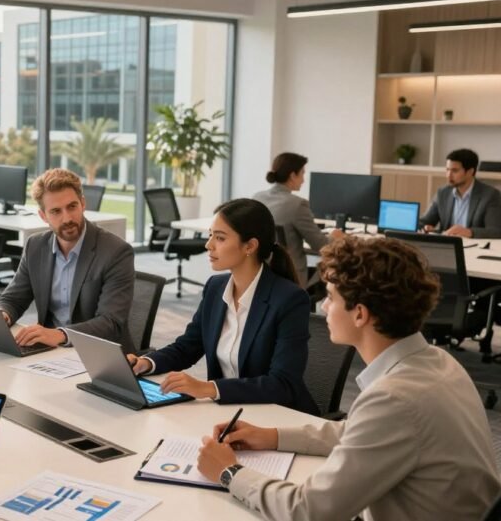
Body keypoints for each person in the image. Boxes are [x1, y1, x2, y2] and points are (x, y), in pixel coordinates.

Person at [197, 237, 501, 521]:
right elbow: (360, 433)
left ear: (360, 314)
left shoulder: (395, 398)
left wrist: (228, 472)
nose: (325, 307)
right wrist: (271, 436)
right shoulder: (438, 361)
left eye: (330, 297)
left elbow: (310, 510)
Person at [127, 199, 318, 414]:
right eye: (210, 235)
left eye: (220, 238)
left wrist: (208, 388)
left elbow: (283, 384)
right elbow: (187, 347)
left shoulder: (289, 300)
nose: (208, 245)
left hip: (277, 417)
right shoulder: (215, 288)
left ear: (250, 246)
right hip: (227, 411)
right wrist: (146, 362)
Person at [0, 168, 136, 353]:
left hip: (100, 355)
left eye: (72, 207)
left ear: (83, 204)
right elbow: (13, 298)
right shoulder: (35, 246)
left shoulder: (116, 252)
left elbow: (111, 322)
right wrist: (3, 314)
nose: (67, 218)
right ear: (43, 216)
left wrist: (61, 334)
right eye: (56, 211)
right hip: (50, 353)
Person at [253, 152, 343, 286]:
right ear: (292, 175)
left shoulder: (257, 198)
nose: (303, 180)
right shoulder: (297, 205)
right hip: (292, 277)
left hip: (261, 273)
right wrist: (335, 236)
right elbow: (320, 245)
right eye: (302, 173)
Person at [421, 148, 501, 238]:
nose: (448, 175)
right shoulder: (443, 193)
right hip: (447, 245)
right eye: (447, 170)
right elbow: (425, 221)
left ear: (470, 171)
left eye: (454, 171)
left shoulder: (490, 195)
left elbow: (496, 231)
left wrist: (469, 232)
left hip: (475, 249)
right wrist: (425, 227)